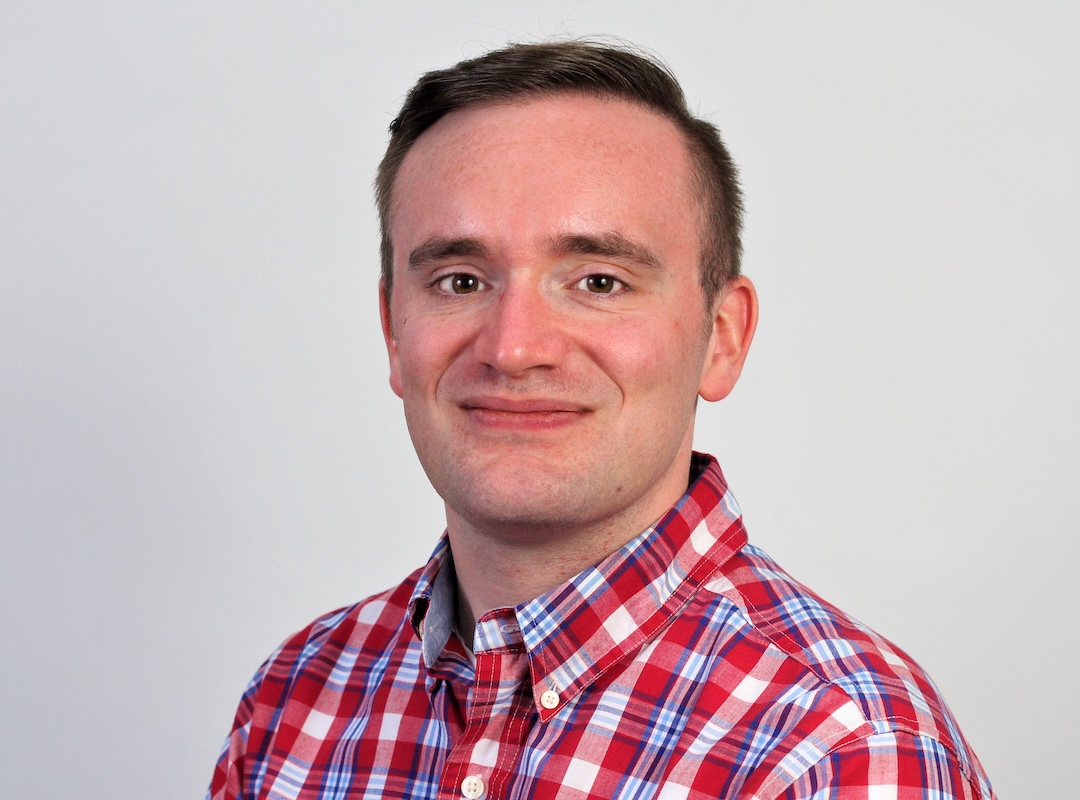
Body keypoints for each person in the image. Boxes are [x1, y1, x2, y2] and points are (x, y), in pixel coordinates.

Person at [208, 40, 996, 799]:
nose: (514, 347)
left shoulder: (843, 756)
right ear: (391, 330)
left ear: (722, 337)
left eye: (598, 280)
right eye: (458, 280)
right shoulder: (297, 698)